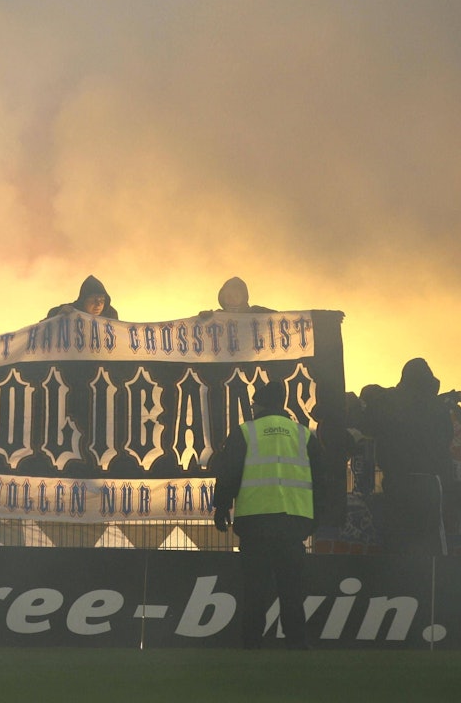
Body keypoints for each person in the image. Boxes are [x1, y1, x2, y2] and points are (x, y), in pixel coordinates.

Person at [211, 379, 322, 650]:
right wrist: (314, 519)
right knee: (292, 591)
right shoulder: (304, 435)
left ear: (258, 404)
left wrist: (221, 506)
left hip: (256, 523)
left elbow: (228, 474)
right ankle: (297, 646)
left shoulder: (246, 433)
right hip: (293, 524)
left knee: (255, 591)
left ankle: (251, 646)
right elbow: (321, 480)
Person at [362, 359, 452, 556]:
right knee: (430, 538)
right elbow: (447, 437)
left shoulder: (389, 401)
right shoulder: (438, 407)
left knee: (397, 536)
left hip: (396, 480)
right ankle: (430, 582)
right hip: (429, 481)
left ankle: (398, 580)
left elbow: (368, 424)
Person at [45, 275, 119, 319]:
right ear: (84, 300)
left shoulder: (110, 315)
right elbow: (42, 327)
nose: (98, 304)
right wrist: (59, 316)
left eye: (102, 300)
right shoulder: (68, 311)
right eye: (94, 300)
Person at [199, 277, 276, 317]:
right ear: (223, 298)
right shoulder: (218, 316)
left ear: (243, 297)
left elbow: (280, 318)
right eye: (228, 295)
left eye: (236, 295)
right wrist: (205, 319)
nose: (232, 299)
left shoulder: (256, 312)